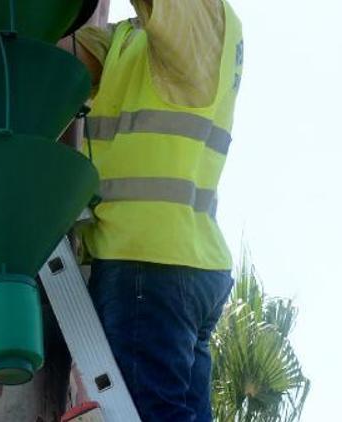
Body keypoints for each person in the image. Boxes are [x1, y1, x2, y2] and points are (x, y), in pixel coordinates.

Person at [69, 0, 244, 420]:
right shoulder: (136, 36)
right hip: (181, 262)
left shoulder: (199, 15)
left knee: (148, 412)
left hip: (148, 259)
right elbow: (69, 63)